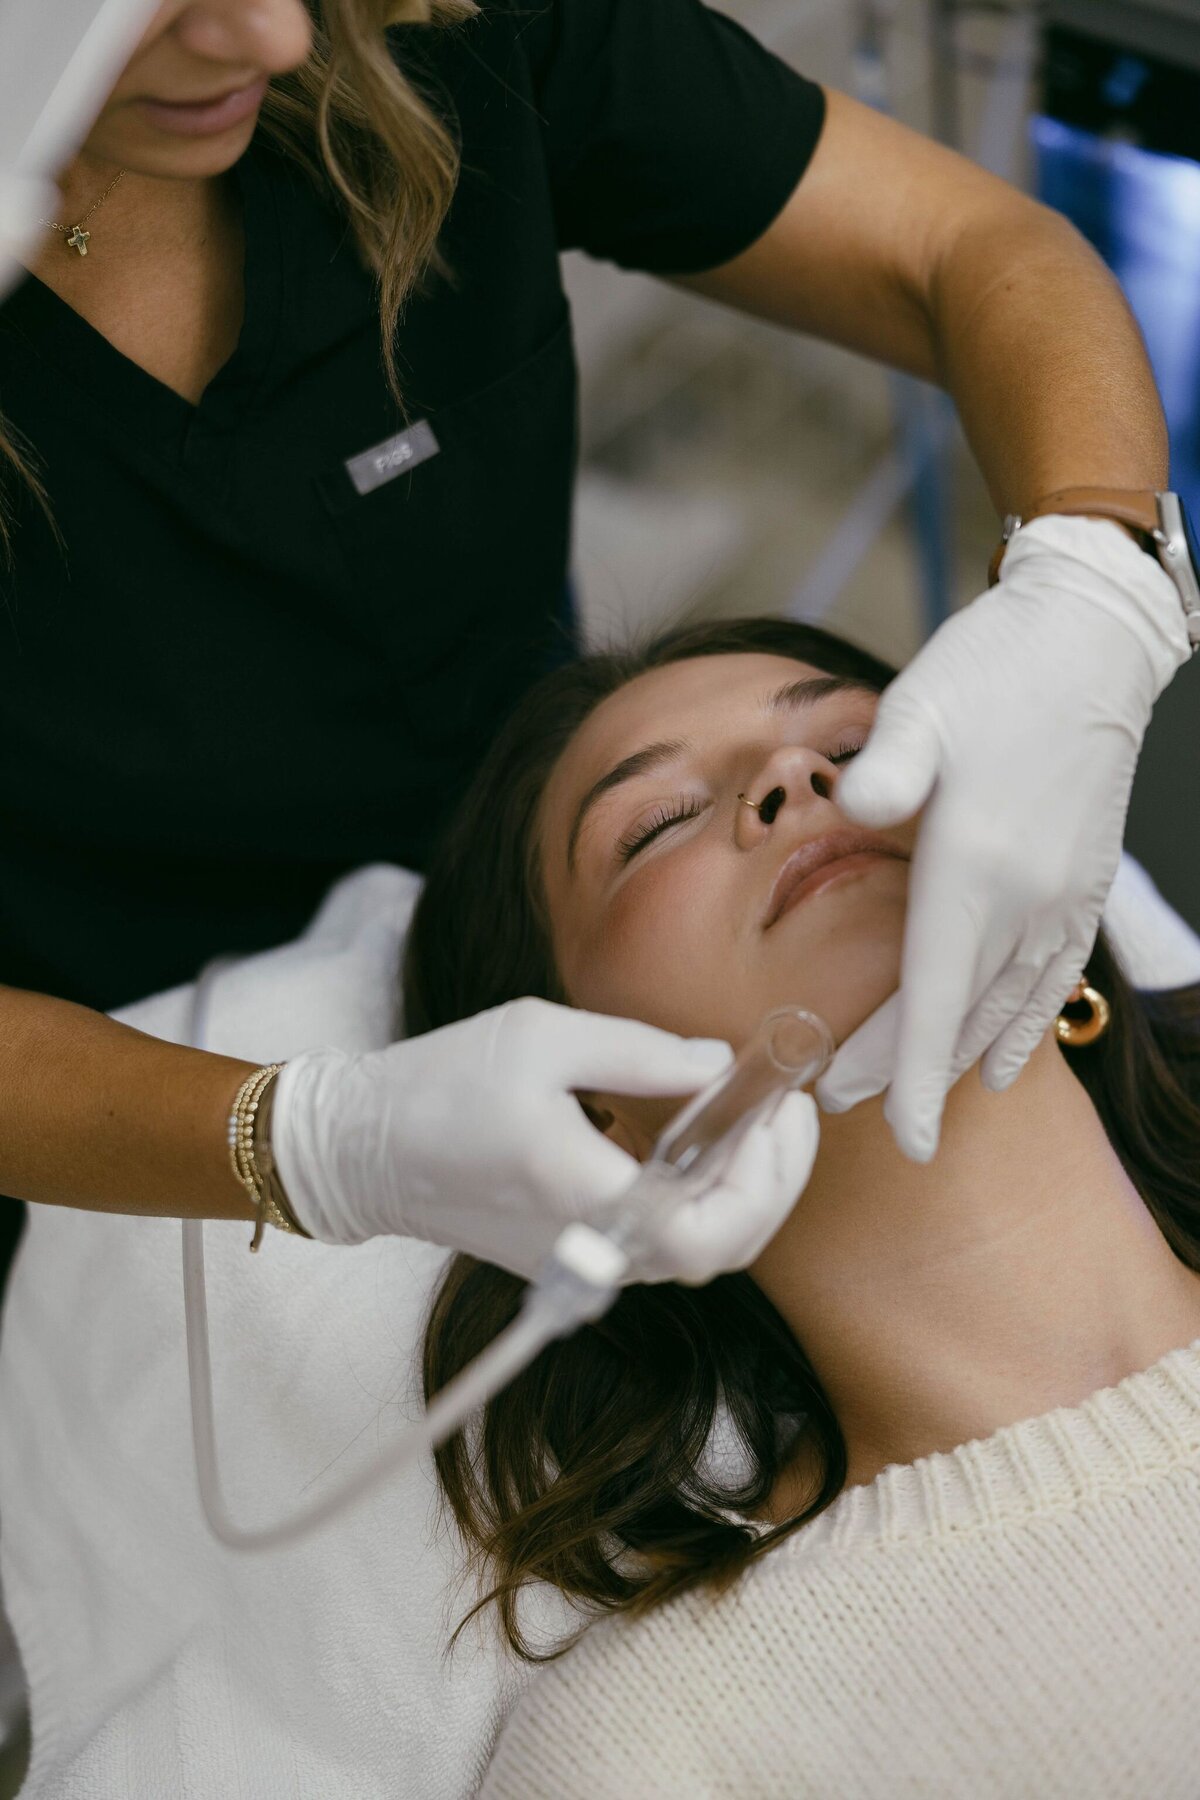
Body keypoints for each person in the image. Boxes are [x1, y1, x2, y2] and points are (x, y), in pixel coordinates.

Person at [1, 0, 1197, 1288]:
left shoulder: (441, 26)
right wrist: (301, 1144)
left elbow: (964, 246)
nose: (274, 40)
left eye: (853, 736)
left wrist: (1091, 585)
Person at [402, 614, 1200, 1797]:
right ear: (594, 1117)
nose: (793, 776)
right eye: (655, 825)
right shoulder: (656, 1751)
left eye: (855, 738)